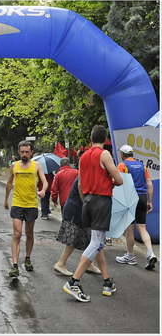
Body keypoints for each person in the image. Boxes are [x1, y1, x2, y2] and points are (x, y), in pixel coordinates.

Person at [63, 125, 123, 303]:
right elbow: (118, 179)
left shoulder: (83, 157)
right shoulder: (104, 154)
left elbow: (80, 185)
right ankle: (74, 281)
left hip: (87, 200)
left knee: (97, 242)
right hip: (101, 200)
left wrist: (86, 200)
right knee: (97, 243)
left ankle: (106, 281)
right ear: (105, 140)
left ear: (90, 138)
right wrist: (111, 182)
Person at [4, 140, 48, 278]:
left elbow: (44, 181)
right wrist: (6, 199)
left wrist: (43, 190)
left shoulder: (37, 165)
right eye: (22, 152)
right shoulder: (14, 166)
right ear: (18, 152)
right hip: (17, 203)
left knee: (29, 233)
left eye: (26, 152)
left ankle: (27, 258)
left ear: (31, 152)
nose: (24, 154)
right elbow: (10, 182)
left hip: (31, 204)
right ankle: (15, 266)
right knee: (17, 234)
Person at [116, 144, 157, 270]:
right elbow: (149, 184)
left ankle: (130, 255)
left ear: (122, 154)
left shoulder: (122, 165)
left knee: (130, 228)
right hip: (142, 197)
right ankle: (150, 253)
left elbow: (119, 182)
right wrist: (150, 201)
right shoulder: (142, 166)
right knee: (142, 228)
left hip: (130, 198)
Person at [54, 177, 101, 276]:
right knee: (74, 239)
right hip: (76, 211)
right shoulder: (85, 175)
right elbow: (84, 191)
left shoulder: (85, 173)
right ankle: (61, 263)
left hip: (78, 209)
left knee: (87, 238)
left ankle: (89, 264)